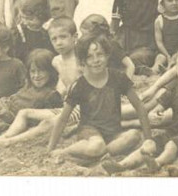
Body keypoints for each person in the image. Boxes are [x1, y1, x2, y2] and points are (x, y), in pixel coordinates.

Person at [107, 45, 178, 174]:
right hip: (173, 131)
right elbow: (158, 109)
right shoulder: (174, 91)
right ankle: (123, 164)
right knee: (150, 144)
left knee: (171, 145)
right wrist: (154, 114)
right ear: (176, 71)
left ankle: (158, 163)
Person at [0, 17, 81, 150]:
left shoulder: (80, 60)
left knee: (49, 122)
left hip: (82, 108)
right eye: (54, 39)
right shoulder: (56, 61)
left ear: (75, 37)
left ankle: (10, 142)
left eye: (63, 37)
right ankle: (2, 138)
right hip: (68, 107)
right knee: (24, 112)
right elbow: (63, 85)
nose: (59, 42)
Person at [47, 34, 152, 165]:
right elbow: (63, 118)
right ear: (82, 61)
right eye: (89, 57)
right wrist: (51, 148)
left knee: (134, 135)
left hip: (113, 132)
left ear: (107, 55)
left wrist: (148, 139)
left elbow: (139, 107)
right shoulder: (79, 85)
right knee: (96, 146)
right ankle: (65, 152)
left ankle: (101, 155)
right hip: (90, 132)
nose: (96, 60)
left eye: (100, 54)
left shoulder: (119, 78)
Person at [12, 0, 55, 65]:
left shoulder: (50, 29)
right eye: (23, 18)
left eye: (30, 19)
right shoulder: (20, 32)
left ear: (42, 16)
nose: (25, 22)